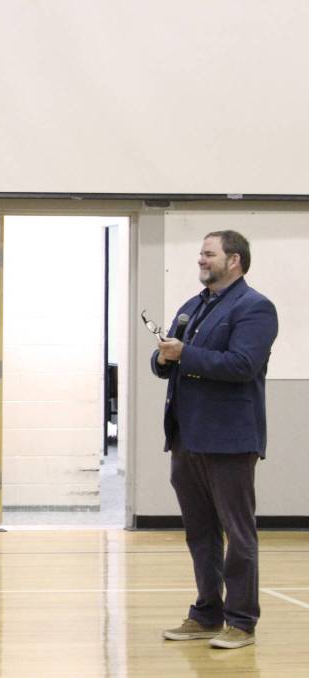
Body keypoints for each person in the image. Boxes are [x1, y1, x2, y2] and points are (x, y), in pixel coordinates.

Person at [152, 231, 278, 650]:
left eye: (209, 254)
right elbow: (165, 363)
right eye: (201, 254)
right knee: (200, 533)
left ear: (235, 260)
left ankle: (241, 621)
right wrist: (163, 355)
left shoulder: (255, 308)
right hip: (187, 438)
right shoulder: (194, 306)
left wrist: (183, 353)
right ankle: (207, 613)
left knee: (238, 534)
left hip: (229, 440)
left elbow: (243, 365)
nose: (201, 260)